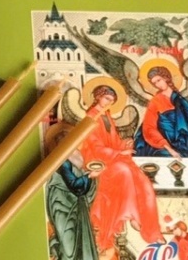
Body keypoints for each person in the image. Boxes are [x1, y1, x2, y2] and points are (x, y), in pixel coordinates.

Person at [78, 81, 163, 252]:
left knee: (144, 182)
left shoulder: (107, 116)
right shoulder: (90, 117)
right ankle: (131, 216)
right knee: (124, 172)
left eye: (112, 100)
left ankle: (152, 231)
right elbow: (95, 146)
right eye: (106, 98)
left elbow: (114, 141)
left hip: (113, 158)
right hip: (98, 161)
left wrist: (124, 145)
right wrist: (118, 152)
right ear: (98, 97)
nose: (109, 102)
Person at [134, 63, 188, 158]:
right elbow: (149, 128)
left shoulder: (181, 101)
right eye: (154, 83)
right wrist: (168, 148)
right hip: (163, 146)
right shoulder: (155, 101)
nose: (158, 85)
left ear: (166, 77)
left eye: (159, 80)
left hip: (183, 143)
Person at [46, 152, 99, 260]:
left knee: (80, 242)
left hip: (74, 204)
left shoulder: (77, 157)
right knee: (68, 247)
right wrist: (90, 176)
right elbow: (75, 185)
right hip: (62, 204)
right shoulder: (63, 161)